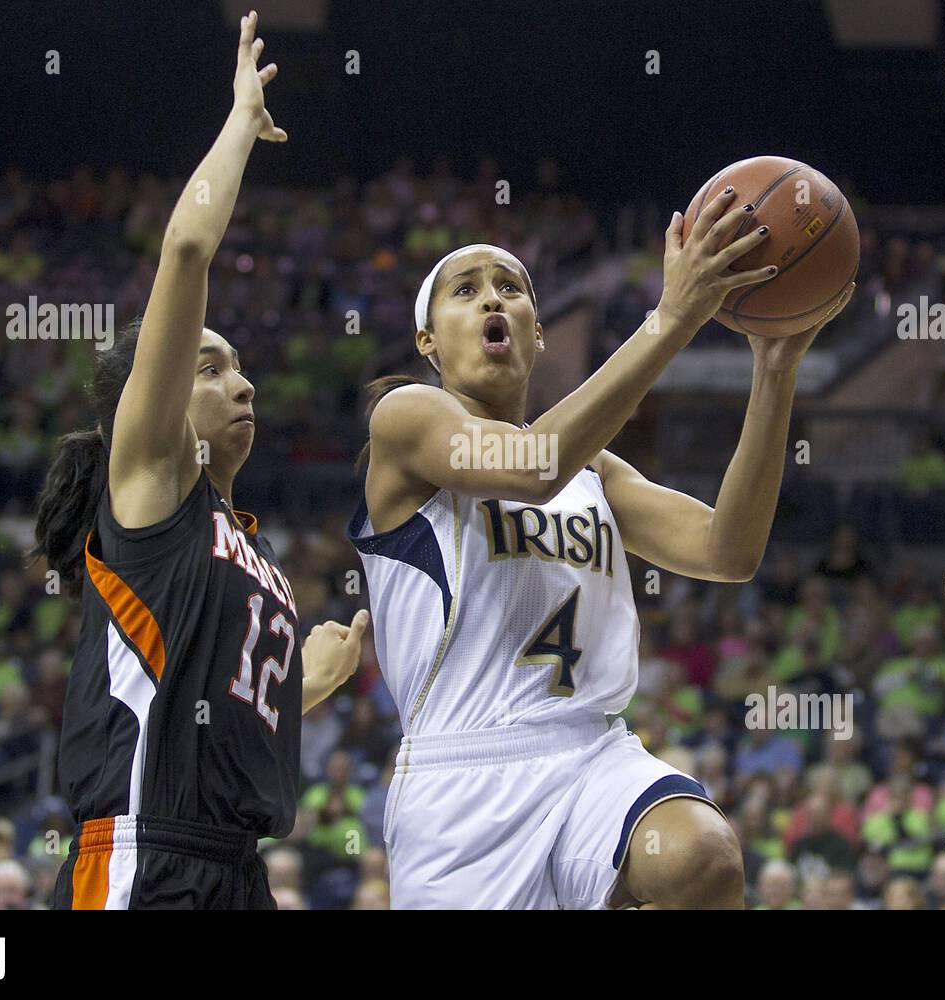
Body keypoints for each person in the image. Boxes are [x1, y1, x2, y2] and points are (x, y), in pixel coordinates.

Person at [349, 186, 853, 908]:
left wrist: (775, 370)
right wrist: (672, 319)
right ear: (428, 341)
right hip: (461, 785)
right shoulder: (405, 420)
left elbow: (727, 550)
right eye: (466, 291)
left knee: (700, 858)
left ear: (538, 331)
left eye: (511, 289)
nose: (494, 301)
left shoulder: (596, 472)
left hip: (592, 755)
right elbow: (531, 469)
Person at [33, 12, 364, 909]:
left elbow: (205, 712)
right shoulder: (146, 486)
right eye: (211, 367)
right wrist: (241, 122)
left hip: (237, 868)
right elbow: (187, 248)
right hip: (145, 861)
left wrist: (309, 686)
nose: (242, 384)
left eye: (242, 368)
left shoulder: (240, 540)